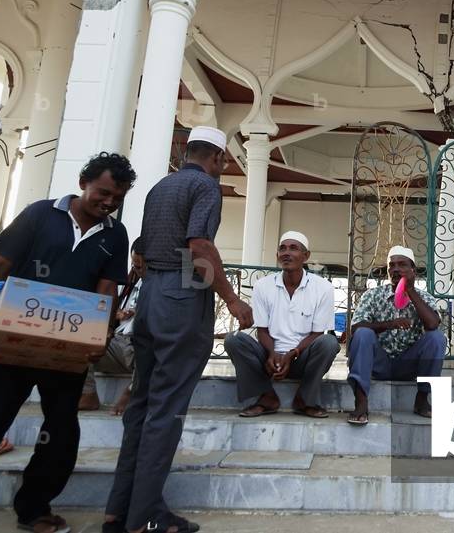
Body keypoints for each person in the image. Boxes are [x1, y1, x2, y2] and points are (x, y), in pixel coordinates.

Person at [0, 152, 136, 533]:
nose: (108, 203)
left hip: (66, 353)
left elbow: (106, 293)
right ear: (84, 182)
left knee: (61, 433)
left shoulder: (114, 235)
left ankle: (34, 509)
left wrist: (100, 336)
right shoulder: (40, 214)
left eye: (117, 199)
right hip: (12, 346)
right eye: (103, 193)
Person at [104, 126, 253, 533]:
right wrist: (233, 300)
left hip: (150, 298)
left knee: (142, 405)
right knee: (166, 411)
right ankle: (145, 517)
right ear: (219, 159)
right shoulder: (206, 187)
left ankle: (118, 511)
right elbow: (199, 248)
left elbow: (142, 248)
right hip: (181, 297)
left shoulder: (160, 187)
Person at [226, 231, 339, 418]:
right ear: (277, 256)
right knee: (233, 340)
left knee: (329, 343)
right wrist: (272, 354)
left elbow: (317, 333)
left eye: (293, 248)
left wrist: (292, 354)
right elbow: (262, 330)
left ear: (306, 256)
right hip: (269, 358)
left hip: (302, 357)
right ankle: (267, 397)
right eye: (282, 248)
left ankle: (304, 400)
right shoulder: (263, 285)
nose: (286, 253)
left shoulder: (323, 288)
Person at [346, 246, 447, 426]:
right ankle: (361, 402)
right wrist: (389, 324)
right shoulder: (373, 295)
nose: (395, 269)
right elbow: (356, 328)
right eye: (391, 265)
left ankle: (422, 399)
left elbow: (432, 324)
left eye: (402, 265)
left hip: (408, 365)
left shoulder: (425, 297)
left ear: (413, 270)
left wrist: (410, 291)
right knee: (363, 333)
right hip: (378, 363)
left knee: (437, 338)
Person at [79, 237, 145, 414]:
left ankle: (134, 389)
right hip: (119, 342)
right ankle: (88, 395)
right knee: (81, 336)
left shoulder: (164, 286)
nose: (139, 271)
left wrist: (131, 391)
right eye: (135, 265)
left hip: (138, 349)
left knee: (154, 344)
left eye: (142, 266)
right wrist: (117, 315)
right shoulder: (132, 281)